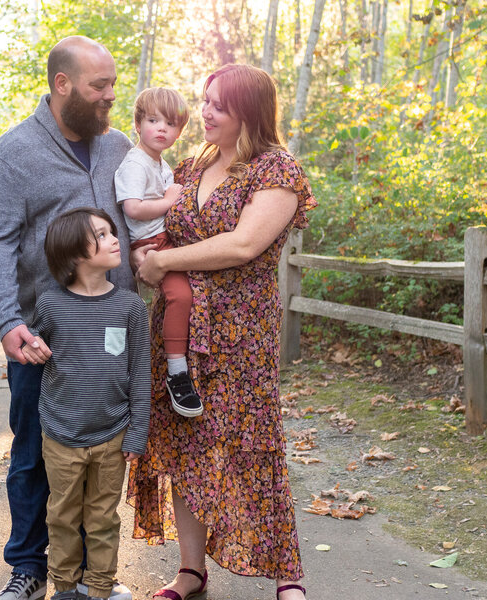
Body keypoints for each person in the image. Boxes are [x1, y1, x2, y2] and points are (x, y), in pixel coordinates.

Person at [128, 64, 317, 600]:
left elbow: (242, 246)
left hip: (242, 333)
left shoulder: (275, 170)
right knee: (188, 446)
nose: (204, 112)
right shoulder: (192, 166)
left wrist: (164, 265)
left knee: (252, 445)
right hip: (181, 335)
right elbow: (151, 222)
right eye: (204, 100)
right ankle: (190, 572)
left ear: (248, 113)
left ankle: (287, 574)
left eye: (218, 104)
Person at [0, 35, 142, 600]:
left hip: (113, 335)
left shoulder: (121, 147)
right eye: (100, 86)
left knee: (99, 462)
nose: (110, 97)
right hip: (41, 339)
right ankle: (28, 568)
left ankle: (91, 578)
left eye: (113, 85)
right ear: (61, 85)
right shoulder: (12, 154)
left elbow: (144, 219)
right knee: (33, 456)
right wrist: (7, 324)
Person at [31, 208, 151, 600]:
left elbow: (140, 372)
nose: (114, 239)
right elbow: (34, 349)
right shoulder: (50, 305)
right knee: (62, 517)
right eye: (101, 235)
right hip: (61, 435)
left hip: (113, 435)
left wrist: (137, 433)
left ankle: (99, 588)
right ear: (74, 253)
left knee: (102, 519)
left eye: (112, 232)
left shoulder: (130, 307)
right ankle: (64, 588)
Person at [114, 87, 201, 418]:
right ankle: (176, 372)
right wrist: (170, 201)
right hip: (153, 242)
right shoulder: (135, 164)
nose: (162, 128)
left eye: (171, 123)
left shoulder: (160, 163)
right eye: (153, 120)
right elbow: (134, 209)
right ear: (138, 125)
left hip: (168, 237)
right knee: (180, 295)